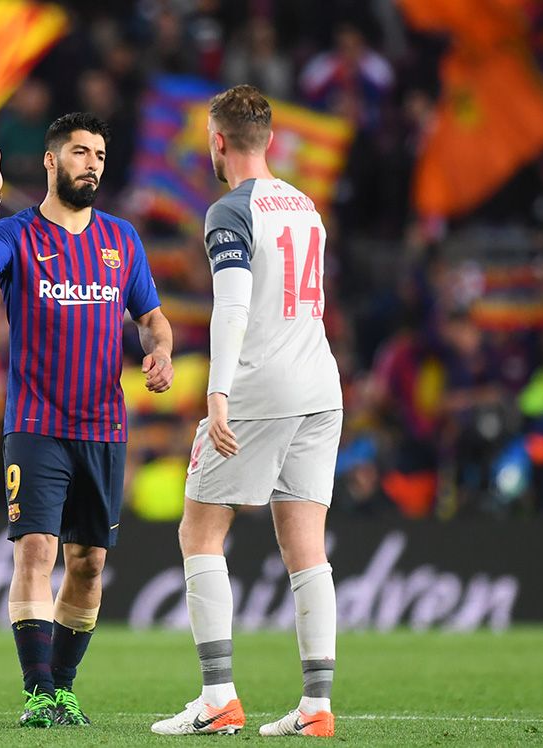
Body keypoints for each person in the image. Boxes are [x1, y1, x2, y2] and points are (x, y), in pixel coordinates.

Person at [0, 113, 174, 728]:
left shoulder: (122, 240)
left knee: (88, 563)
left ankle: (66, 686)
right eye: (80, 153)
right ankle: (38, 692)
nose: (93, 164)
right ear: (51, 162)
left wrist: (159, 350)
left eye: (100, 155)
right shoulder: (20, 233)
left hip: (103, 426)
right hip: (35, 422)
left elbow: (152, 319)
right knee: (36, 550)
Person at [150, 85, 342, 738]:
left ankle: (218, 699)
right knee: (305, 546)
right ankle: (316, 708)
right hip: (322, 383)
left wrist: (217, 395)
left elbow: (231, 307)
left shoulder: (230, 210)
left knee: (199, 534)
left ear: (219, 141)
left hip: (263, 383)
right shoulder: (307, 207)